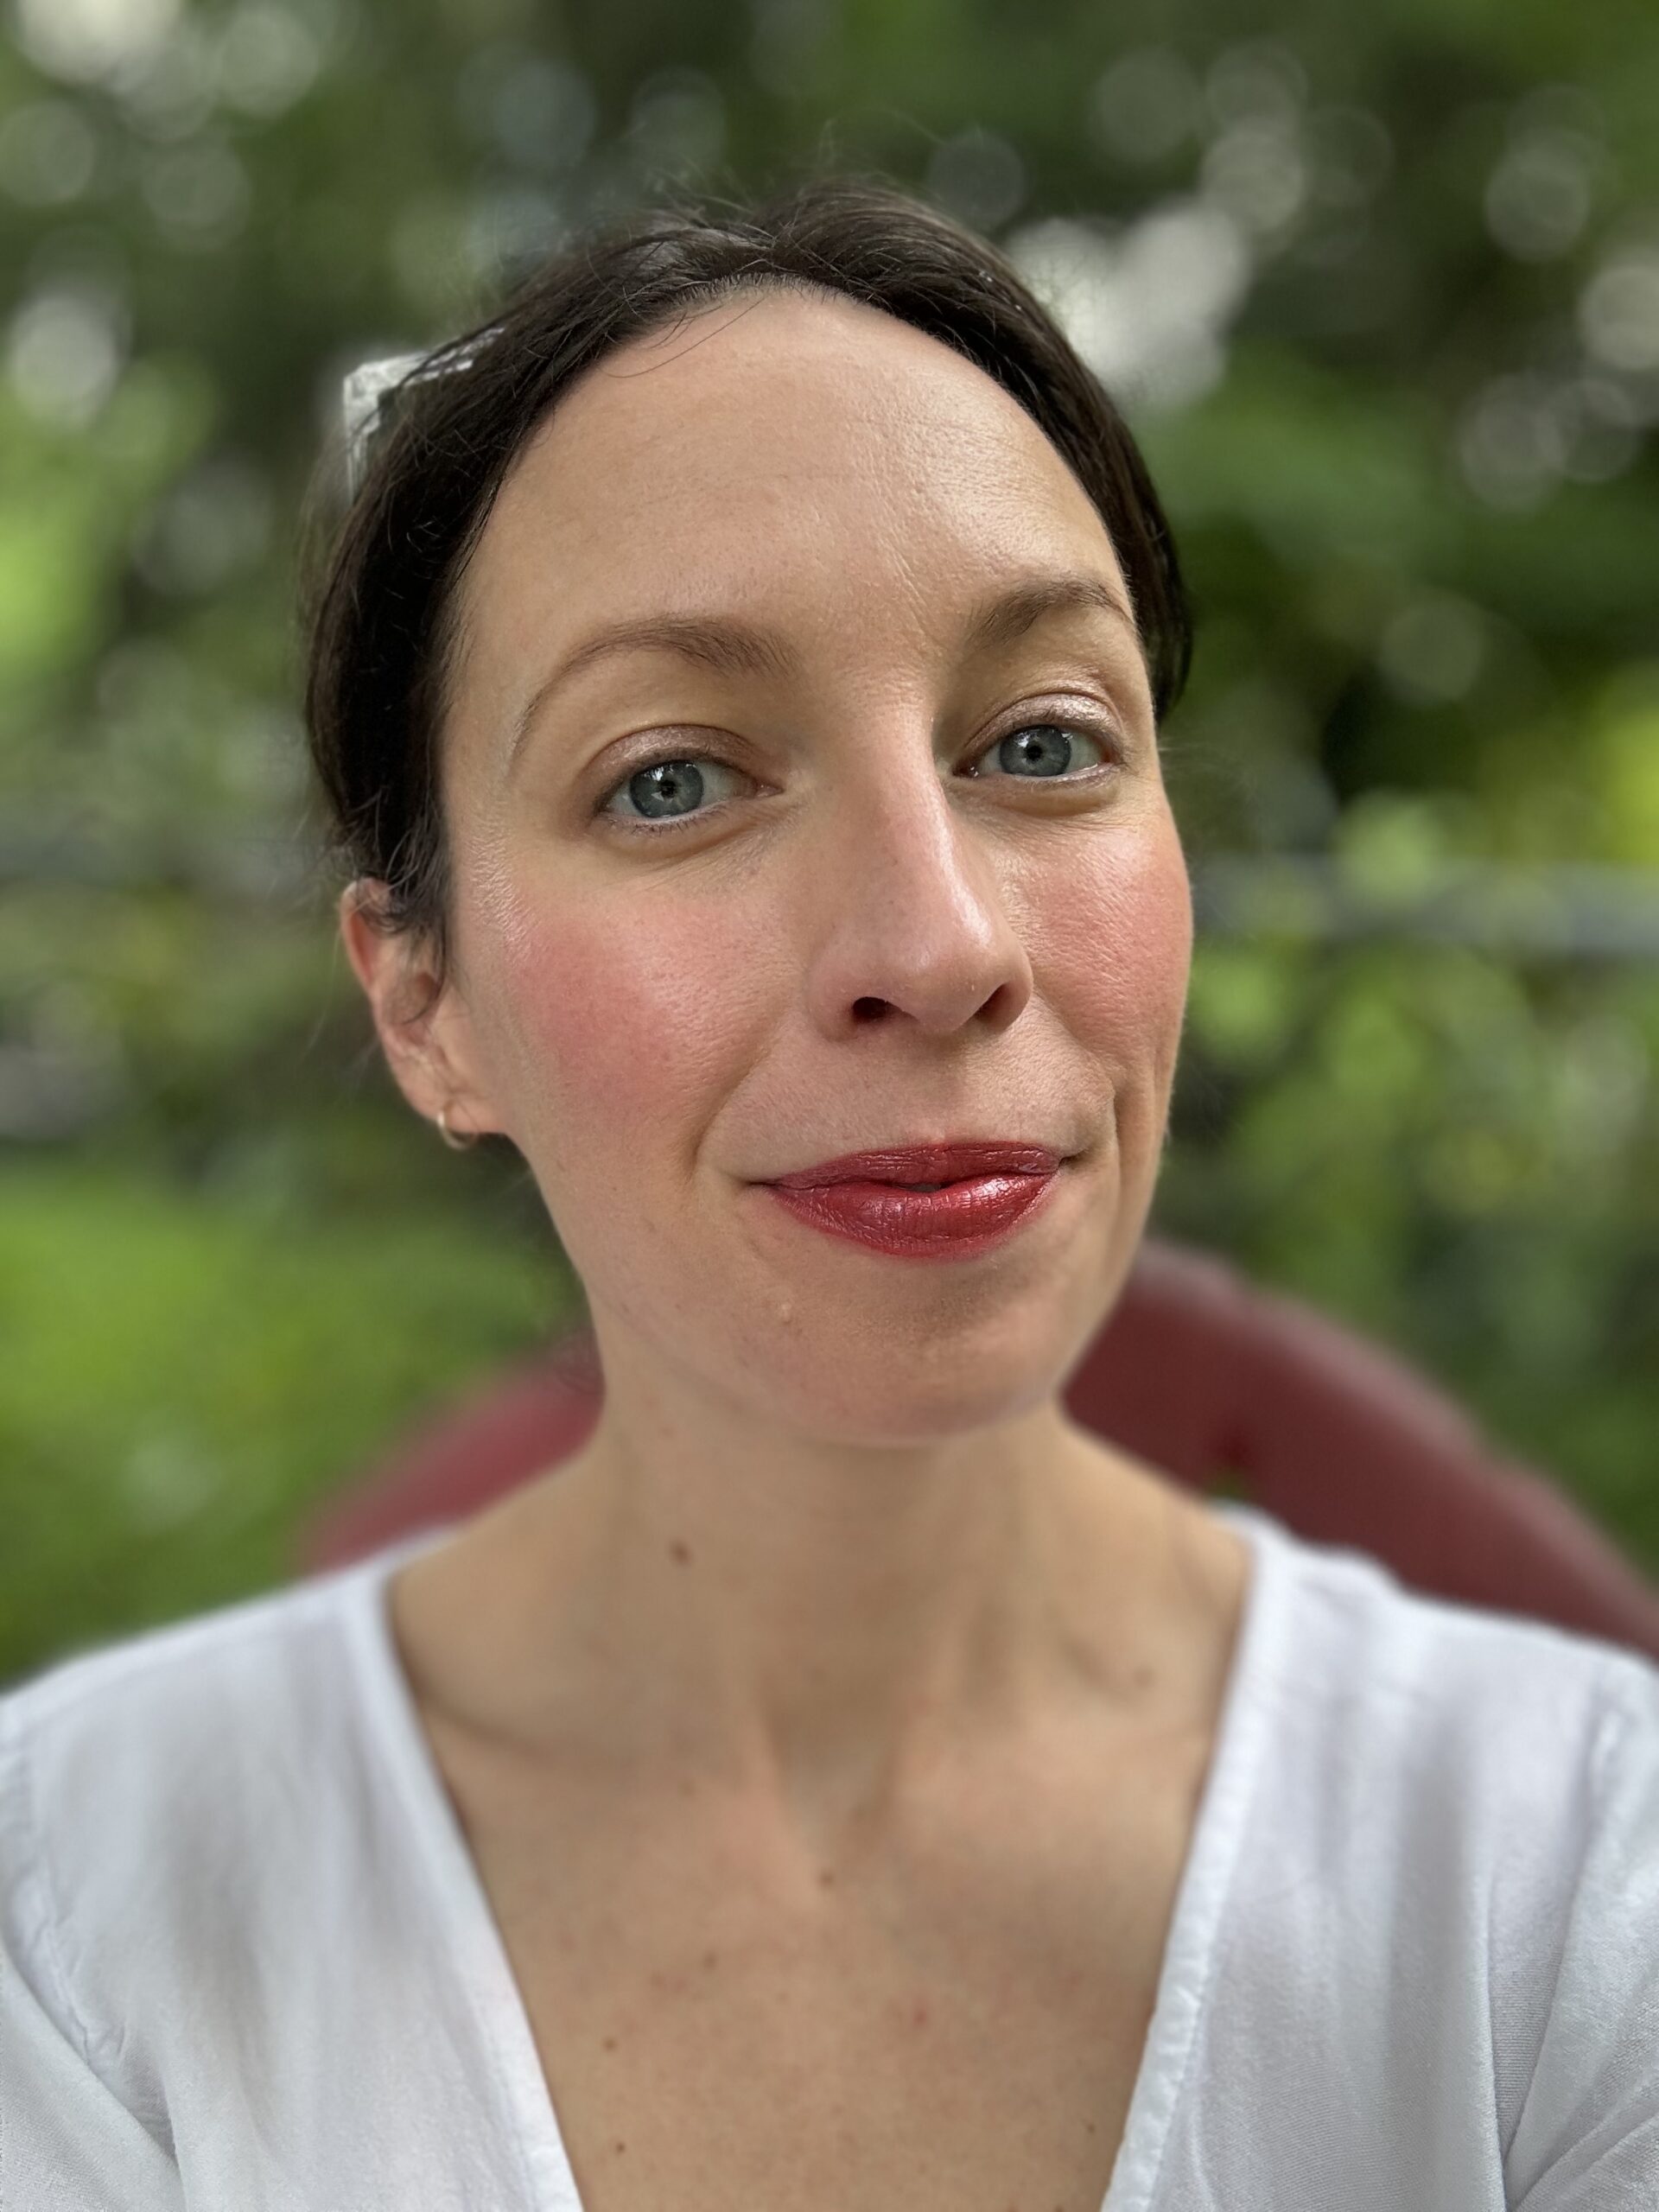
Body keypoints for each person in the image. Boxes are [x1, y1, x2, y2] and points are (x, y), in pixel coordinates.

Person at [2, 173, 1655, 2212]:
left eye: (1043, 741)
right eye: (674, 775)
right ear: (425, 1006)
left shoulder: (1579, 1885)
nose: (941, 937)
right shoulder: (79, 1920)